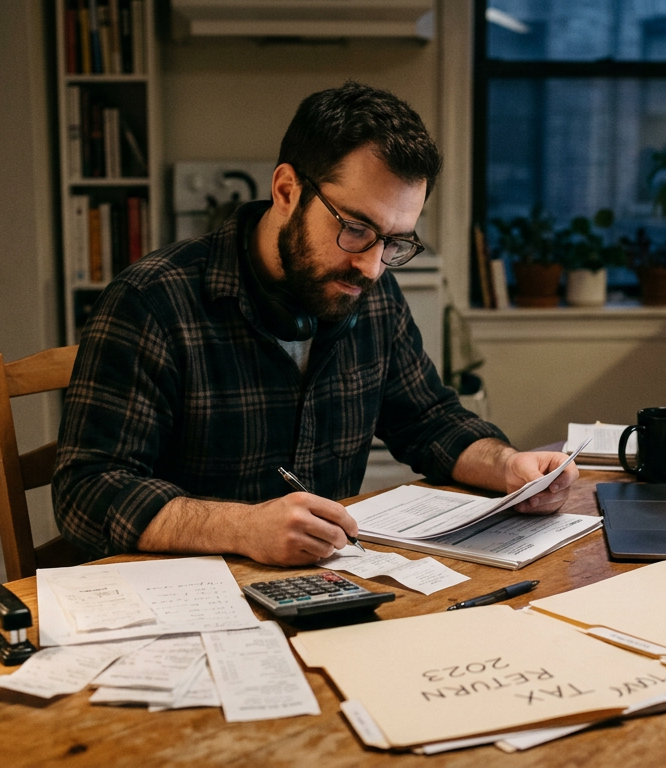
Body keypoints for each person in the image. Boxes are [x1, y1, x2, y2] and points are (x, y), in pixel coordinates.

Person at [53, 82, 577, 567]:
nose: (372, 267)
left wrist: (509, 467)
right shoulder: (152, 302)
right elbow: (87, 490)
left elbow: (428, 421)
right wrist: (242, 527)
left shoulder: (371, 296)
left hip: (328, 583)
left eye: (395, 242)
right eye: (355, 228)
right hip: (190, 599)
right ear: (287, 191)